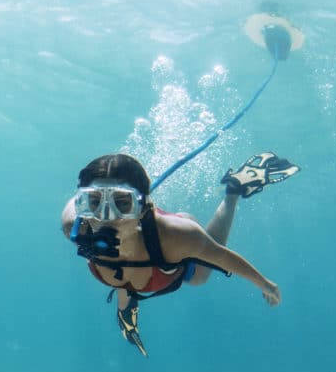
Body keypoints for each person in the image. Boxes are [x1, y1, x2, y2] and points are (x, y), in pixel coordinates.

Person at [61, 152, 299, 357]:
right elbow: (75, 203)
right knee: (123, 280)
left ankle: (233, 190)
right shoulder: (76, 226)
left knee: (199, 277)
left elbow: (222, 256)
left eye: (122, 204)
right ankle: (125, 309)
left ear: (143, 205)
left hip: (170, 253)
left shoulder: (177, 237)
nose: (106, 216)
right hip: (130, 277)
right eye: (93, 202)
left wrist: (267, 285)